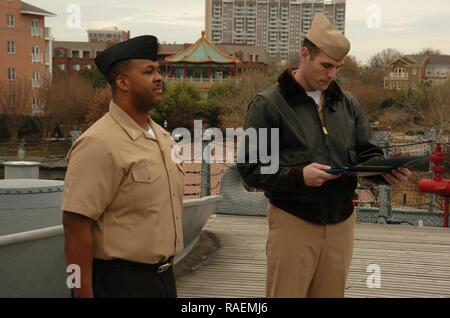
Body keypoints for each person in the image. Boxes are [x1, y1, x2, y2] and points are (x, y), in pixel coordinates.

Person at [237, 13, 411, 298]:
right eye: (326, 65)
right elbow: (251, 168)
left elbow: (367, 153)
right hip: (293, 223)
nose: (332, 75)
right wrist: (298, 176)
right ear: (304, 55)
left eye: (338, 68)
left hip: (342, 222)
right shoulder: (267, 105)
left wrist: (384, 172)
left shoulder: (348, 104)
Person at [62, 35, 185, 298]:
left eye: (159, 70)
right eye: (149, 71)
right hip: (120, 284)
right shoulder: (99, 143)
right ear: (123, 82)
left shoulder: (163, 138)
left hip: (164, 280)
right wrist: (80, 294)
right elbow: (75, 226)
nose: (159, 77)